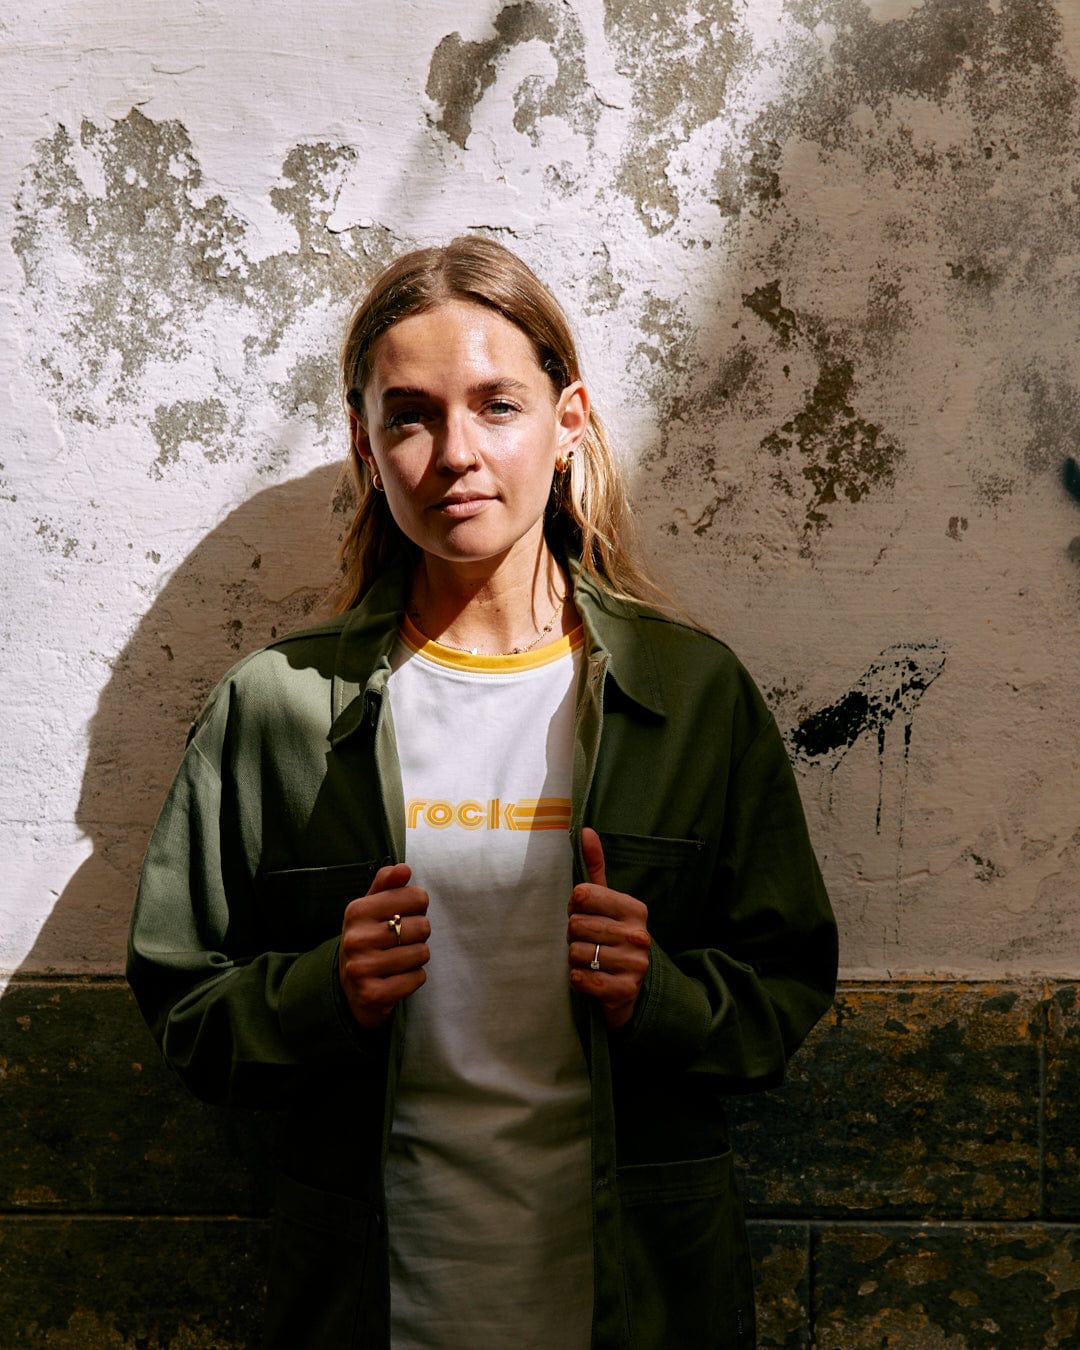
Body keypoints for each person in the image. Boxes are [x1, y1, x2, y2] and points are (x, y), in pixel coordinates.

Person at [127, 235, 838, 1349]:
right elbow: (184, 1006)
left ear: (568, 423)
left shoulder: (690, 696)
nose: (455, 452)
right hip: (377, 1302)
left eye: (497, 404)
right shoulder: (276, 709)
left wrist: (657, 992)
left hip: (639, 1300)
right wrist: (326, 991)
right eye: (408, 415)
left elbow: (784, 993)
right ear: (365, 447)